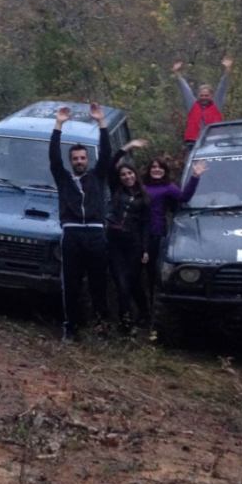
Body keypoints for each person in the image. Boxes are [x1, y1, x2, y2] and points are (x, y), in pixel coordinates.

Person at [49, 103, 112, 342]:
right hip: (72, 234)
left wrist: (101, 123)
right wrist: (58, 125)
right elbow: (54, 157)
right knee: (71, 284)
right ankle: (70, 328)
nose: (79, 161)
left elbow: (106, 154)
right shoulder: (63, 178)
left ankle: (101, 328)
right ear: (71, 161)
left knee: (98, 283)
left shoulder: (97, 176)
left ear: (87, 159)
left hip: (95, 233)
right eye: (75, 158)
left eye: (82, 158)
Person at [140, 148, 206, 292]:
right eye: (154, 167)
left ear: (164, 170)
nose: (156, 170)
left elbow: (184, 197)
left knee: (153, 268)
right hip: (138, 232)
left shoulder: (168, 187)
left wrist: (195, 176)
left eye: (160, 167)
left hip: (156, 232)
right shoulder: (142, 186)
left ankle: (155, 297)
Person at [106, 153, 152, 330]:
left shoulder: (144, 197)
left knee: (134, 283)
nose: (127, 177)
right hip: (115, 244)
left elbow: (146, 225)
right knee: (121, 284)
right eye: (123, 174)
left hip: (134, 245)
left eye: (130, 173)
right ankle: (125, 323)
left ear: (135, 174)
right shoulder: (116, 190)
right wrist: (126, 149)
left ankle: (144, 314)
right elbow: (110, 168)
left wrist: (145, 249)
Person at [172, 57, 233, 146]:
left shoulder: (216, 105)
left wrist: (228, 70)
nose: (204, 97)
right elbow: (185, 90)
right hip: (193, 142)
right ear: (198, 96)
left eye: (206, 95)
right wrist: (176, 73)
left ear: (211, 96)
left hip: (213, 141)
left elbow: (222, 88)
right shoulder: (192, 105)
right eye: (201, 95)